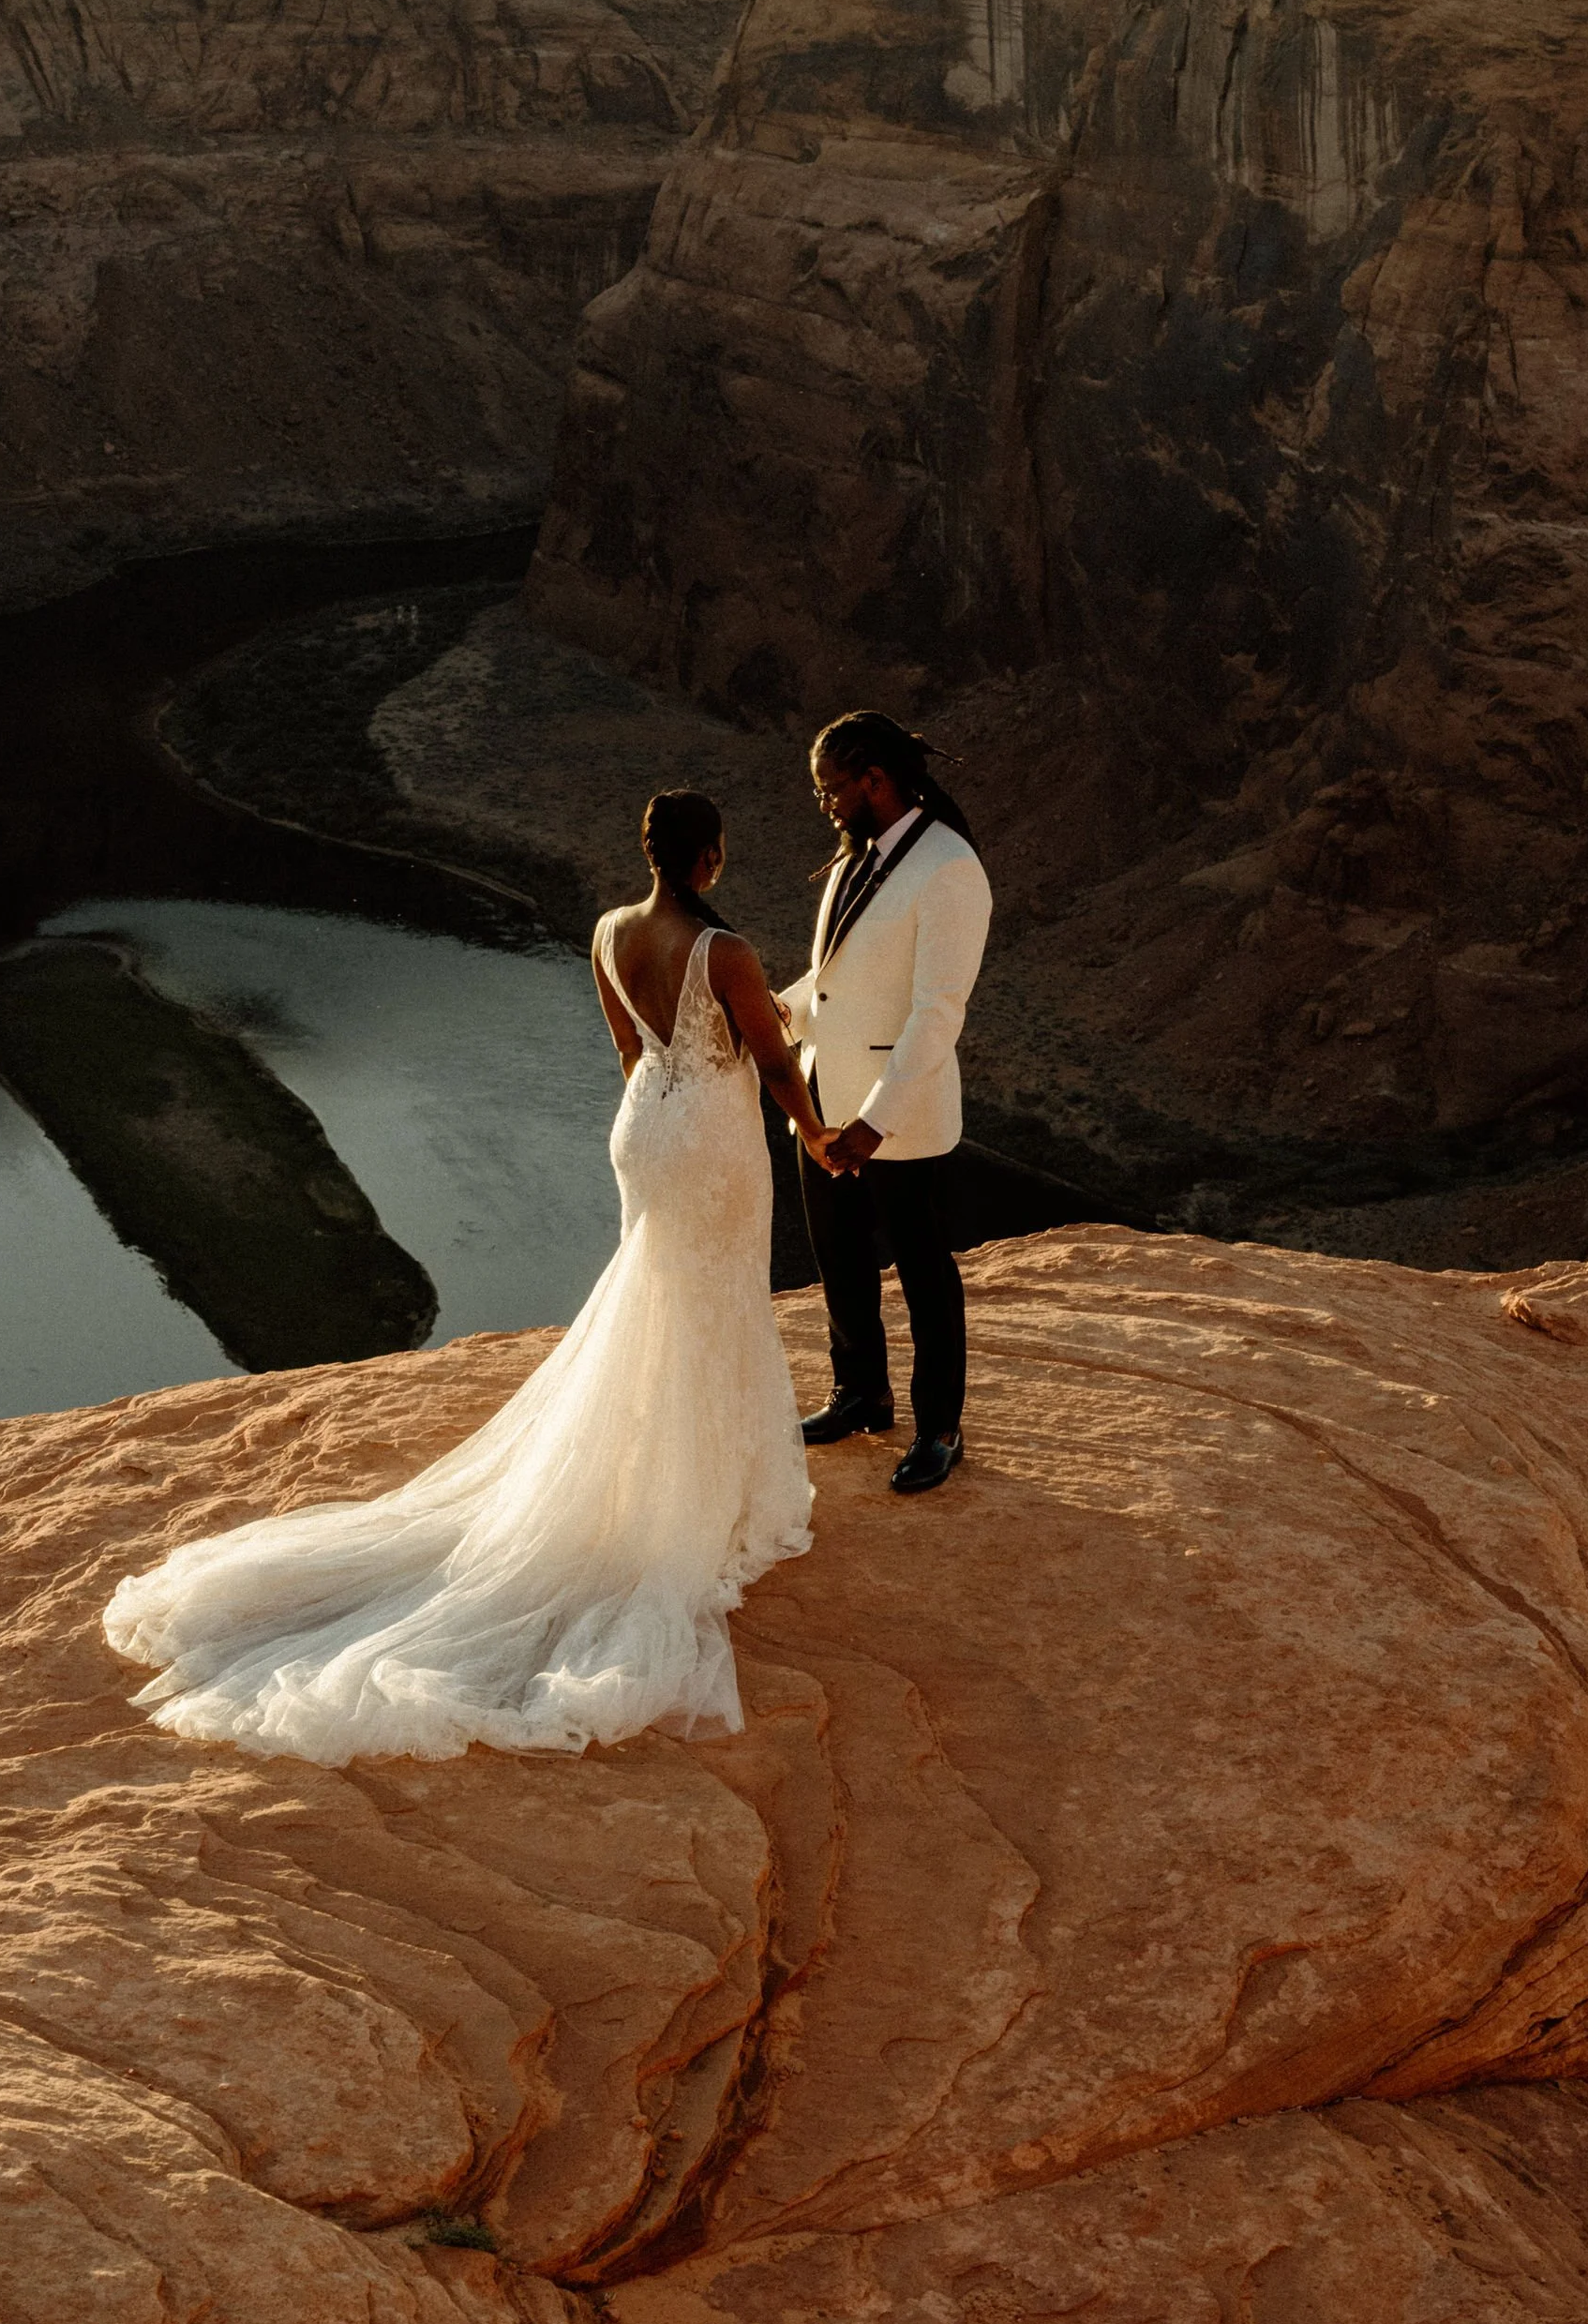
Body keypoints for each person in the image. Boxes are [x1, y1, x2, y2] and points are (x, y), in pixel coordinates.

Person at [103, 789, 838, 1763]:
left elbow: (628, 1049)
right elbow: (777, 1065)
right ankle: (699, 1498)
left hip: (646, 1128)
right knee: (713, 1297)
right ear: (710, 857)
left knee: (659, 1297)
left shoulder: (612, 931)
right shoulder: (729, 952)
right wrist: (818, 1136)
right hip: (712, 1138)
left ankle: (667, 1475)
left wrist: (669, 1105)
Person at [777, 712, 993, 1497]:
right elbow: (834, 982)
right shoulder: (851, 863)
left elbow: (938, 1010)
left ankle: (939, 1428)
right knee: (839, 1262)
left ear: (875, 780)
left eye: (830, 787)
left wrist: (875, 1118)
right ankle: (861, 1395)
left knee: (924, 1275)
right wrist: (778, 1014)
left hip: (895, 1120)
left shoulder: (948, 868)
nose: (824, 803)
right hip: (823, 1106)